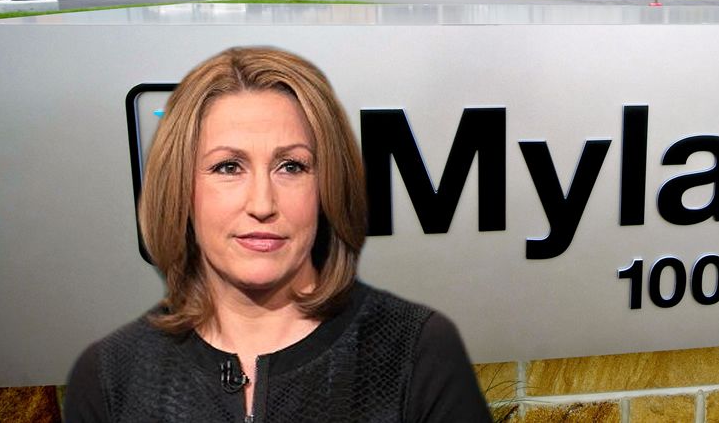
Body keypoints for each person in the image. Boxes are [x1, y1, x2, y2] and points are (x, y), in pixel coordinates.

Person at [66, 47, 490, 422]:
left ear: (328, 187)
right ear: (180, 189)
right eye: (228, 167)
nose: (263, 204)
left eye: (291, 166)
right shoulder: (110, 376)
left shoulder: (417, 350)